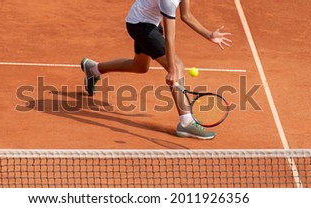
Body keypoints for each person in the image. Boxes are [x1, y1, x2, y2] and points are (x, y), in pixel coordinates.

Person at [81, 0, 231, 140]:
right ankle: (186, 122)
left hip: (147, 23)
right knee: (178, 66)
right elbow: (170, 37)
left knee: (139, 66)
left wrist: (209, 35)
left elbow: (186, 16)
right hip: (140, 27)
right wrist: (171, 69)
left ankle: (93, 69)